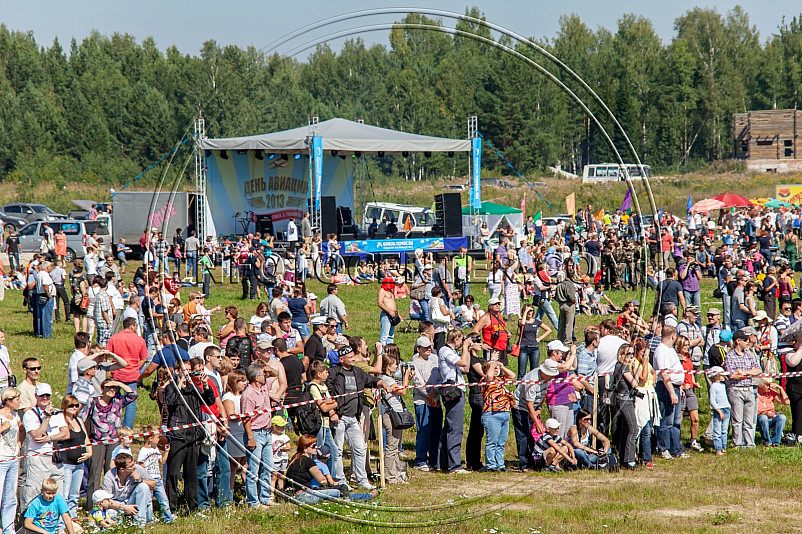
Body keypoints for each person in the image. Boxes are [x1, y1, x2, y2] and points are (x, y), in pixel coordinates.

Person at [326, 344, 391, 489]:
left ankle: (362, 480)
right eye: (349, 357)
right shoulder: (334, 372)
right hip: (339, 417)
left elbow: (372, 380)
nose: (353, 359)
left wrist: (382, 383)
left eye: (353, 356)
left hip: (353, 417)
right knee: (337, 451)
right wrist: (332, 412)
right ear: (341, 359)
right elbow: (327, 393)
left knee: (360, 449)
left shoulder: (358, 372)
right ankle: (340, 481)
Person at [165, 359, 213, 513]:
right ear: (178, 371)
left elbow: (209, 401)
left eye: (189, 370)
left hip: (193, 436)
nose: (188, 373)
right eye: (184, 370)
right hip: (178, 436)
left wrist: (205, 385)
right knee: (173, 473)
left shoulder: (193, 388)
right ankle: (171, 508)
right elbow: (170, 403)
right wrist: (180, 384)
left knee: (191, 474)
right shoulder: (171, 387)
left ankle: (192, 507)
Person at [85, 379, 137, 511]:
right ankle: (93, 506)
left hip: (113, 442)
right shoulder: (93, 402)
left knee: (112, 473)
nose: (112, 390)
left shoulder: (117, 401)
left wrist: (119, 383)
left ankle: (110, 505)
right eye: (109, 388)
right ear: (102, 389)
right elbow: (83, 418)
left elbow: (133, 395)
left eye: (114, 388)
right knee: (94, 474)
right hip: (97, 441)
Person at [285, 435, 377, 504]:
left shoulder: (295, 458)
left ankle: (365, 496)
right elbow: (322, 480)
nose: (316, 448)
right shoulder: (308, 461)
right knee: (337, 491)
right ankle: (362, 498)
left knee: (336, 493)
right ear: (305, 448)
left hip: (293, 494)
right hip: (304, 495)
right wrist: (331, 482)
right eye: (313, 446)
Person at [20, 383, 68, 512]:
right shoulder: (30, 414)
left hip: (55, 457)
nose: (45, 398)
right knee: (35, 491)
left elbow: (65, 433)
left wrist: (50, 438)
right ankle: (29, 523)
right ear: (36, 396)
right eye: (42, 396)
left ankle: (56, 525)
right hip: (38, 456)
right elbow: (37, 435)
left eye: (48, 395)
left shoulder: (57, 413)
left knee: (58, 492)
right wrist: (46, 418)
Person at [437, 330, 475, 474]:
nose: (462, 343)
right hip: (453, 392)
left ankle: (443, 463)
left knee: (449, 427)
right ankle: (455, 466)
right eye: (461, 340)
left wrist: (468, 350)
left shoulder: (451, 352)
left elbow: (465, 368)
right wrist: (465, 347)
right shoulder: (445, 350)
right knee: (455, 429)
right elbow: (463, 362)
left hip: (457, 391)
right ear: (456, 339)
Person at [241, 362, 278, 506]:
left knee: (268, 466)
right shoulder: (248, 394)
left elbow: (276, 375)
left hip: (267, 432)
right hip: (255, 433)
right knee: (254, 469)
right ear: (256, 378)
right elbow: (246, 418)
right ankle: (253, 501)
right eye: (263, 374)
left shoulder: (264, 387)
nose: (265, 376)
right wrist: (250, 438)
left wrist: (267, 369)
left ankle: (265, 497)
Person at [652, 325, 689, 460]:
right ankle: (664, 448)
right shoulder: (661, 350)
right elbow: (665, 374)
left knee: (676, 421)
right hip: (666, 388)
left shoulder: (671, 349)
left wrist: (679, 387)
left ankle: (676, 449)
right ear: (673, 336)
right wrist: (672, 393)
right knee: (666, 420)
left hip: (676, 387)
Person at [107, 317, 148, 429]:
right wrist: (136, 367)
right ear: (132, 326)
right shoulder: (140, 340)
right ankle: (127, 429)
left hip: (116, 374)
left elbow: (107, 355)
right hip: (132, 375)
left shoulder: (114, 338)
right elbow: (144, 359)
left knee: (112, 400)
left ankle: (111, 425)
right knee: (131, 403)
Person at [55, 395, 92, 519]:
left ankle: (73, 516)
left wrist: (89, 452)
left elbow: (86, 438)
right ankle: (62, 518)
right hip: (66, 463)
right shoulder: (62, 421)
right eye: (71, 405)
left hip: (79, 463)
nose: (74, 408)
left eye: (76, 405)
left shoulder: (79, 420)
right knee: (64, 493)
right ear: (65, 406)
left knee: (75, 494)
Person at [379, 350, 413, 483]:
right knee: (392, 447)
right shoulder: (386, 379)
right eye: (394, 364)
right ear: (387, 366)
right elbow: (403, 391)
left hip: (395, 413)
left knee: (395, 446)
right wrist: (405, 376)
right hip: (391, 414)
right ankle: (389, 476)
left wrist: (408, 378)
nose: (396, 366)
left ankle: (397, 474)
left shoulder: (390, 379)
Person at [725, 329, 762, 448]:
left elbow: (758, 370)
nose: (748, 342)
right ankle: (738, 444)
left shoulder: (749, 355)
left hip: (749, 389)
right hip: (736, 390)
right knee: (737, 420)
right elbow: (731, 375)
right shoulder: (730, 356)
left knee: (749, 420)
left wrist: (744, 372)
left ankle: (750, 444)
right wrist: (748, 373)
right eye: (745, 340)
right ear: (738, 341)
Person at [102, 453, 156, 526]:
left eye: (134, 464)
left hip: (132, 501)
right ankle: (122, 525)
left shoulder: (138, 469)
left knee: (143, 486)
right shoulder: (109, 477)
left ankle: (140, 523)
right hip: (117, 505)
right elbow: (106, 501)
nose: (134, 467)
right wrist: (124, 507)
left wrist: (140, 480)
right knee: (111, 514)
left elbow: (154, 485)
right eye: (131, 466)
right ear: (122, 469)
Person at [480, 360, 515, 472]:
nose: (496, 370)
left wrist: (502, 367)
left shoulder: (501, 379)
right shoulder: (484, 380)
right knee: (492, 441)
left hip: (504, 413)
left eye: (496, 369)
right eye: (493, 368)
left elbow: (512, 376)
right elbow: (489, 377)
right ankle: (491, 465)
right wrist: (492, 365)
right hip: (492, 414)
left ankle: (500, 464)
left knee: (501, 442)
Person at [612, 343, 641, 469]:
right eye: (628, 354)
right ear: (621, 355)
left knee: (625, 429)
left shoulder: (619, 366)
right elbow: (635, 383)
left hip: (622, 399)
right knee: (633, 429)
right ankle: (629, 460)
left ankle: (624, 458)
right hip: (625, 400)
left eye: (632, 354)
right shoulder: (623, 367)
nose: (631, 356)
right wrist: (638, 369)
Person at [136, 427, 174, 523]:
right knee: (148, 501)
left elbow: (162, 461)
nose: (159, 439)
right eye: (157, 437)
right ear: (150, 438)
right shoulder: (143, 451)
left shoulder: (156, 449)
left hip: (157, 479)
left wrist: (166, 452)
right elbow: (140, 467)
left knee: (163, 499)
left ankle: (168, 518)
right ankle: (150, 519)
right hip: (148, 479)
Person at [0, 388, 23, 534]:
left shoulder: (16, 415)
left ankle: (9, 527)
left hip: (13, 459)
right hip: (1, 460)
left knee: (10, 496)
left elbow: (21, 430)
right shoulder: (1, 416)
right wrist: (2, 428)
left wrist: (19, 444)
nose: (19, 401)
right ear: (9, 401)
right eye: (17, 399)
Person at [473, 297, 510, 365]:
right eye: (495, 304)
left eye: (498, 304)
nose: (497, 305)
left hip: (502, 347)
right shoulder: (486, 317)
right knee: (491, 369)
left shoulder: (499, 315)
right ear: (490, 306)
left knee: (500, 370)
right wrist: (481, 344)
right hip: (492, 348)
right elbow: (475, 330)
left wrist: (507, 332)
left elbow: (501, 326)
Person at [756, 378, 789, 446]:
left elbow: (786, 402)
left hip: (771, 417)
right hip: (758, 418)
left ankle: (776, 442)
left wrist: (780, 388)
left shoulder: (770, 392)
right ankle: (767, 442)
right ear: (760, 386)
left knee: (782, 417)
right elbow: (751, 412)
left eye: (769, 385)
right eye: (767, 385)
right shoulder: (754, 394)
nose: (769, 387)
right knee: (763, 418)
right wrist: (764, 413)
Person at [378, 275, 400, 346]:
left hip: (393, 315)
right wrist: (389, 311)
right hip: (386, 315)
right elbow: (380, 303)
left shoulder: (391, 291)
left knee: (391, 335)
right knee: (384, 335)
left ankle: (390, 351)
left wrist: (397, 313)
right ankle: (382, 353)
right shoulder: (382, 291)